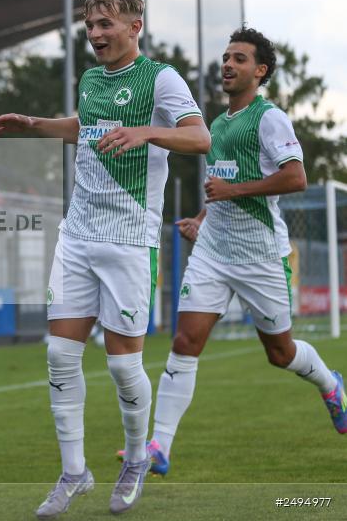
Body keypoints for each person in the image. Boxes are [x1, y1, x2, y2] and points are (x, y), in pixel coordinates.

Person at [0, 0, 210, 517]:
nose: (95, 33)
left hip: (130, 241)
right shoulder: (90, 79)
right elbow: (85, 126)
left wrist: (147, 132)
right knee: (60, 356)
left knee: (122, 368)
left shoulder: (161, 80)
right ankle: (74, 472)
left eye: (105, 24)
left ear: (135, 26)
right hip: (78, 236)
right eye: (90, 24)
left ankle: (136, 459)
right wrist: (36, 123)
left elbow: (200, 136)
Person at [120, 27, 346, 477]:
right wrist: (203, 218)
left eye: (239, 58)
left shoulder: (269, 119)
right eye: (226, 57)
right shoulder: (216, 125)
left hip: (262, 256)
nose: (227, 64)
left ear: (259, 71)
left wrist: (232, 190)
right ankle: (159, 445)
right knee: (185, 343)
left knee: (279, 353)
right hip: (213, 253)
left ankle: (331, 384)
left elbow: (296, 178)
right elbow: (222, 182)